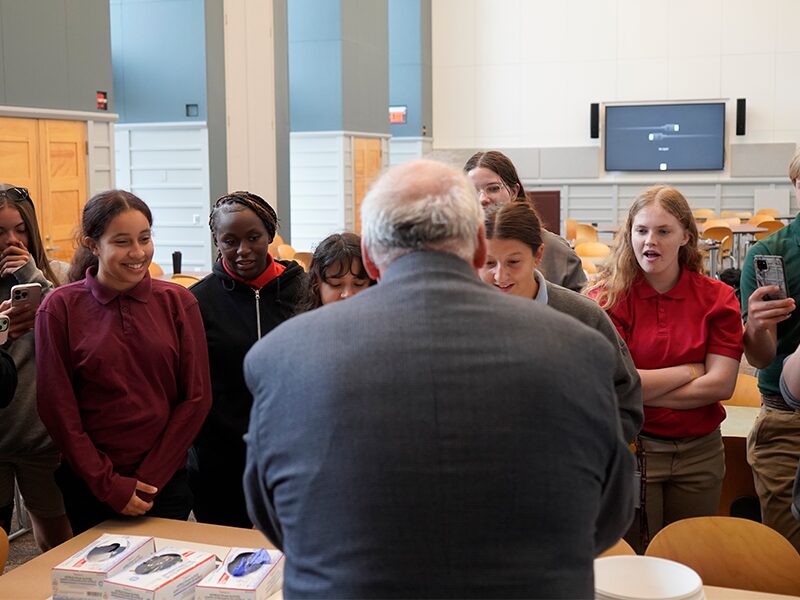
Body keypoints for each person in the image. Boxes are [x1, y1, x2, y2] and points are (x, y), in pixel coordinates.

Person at [243, 160, 634, 598]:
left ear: (369, 255)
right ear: (481, 246)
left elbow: (274, 518)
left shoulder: (281, 357)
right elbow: (608, 518)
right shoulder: (578, 349)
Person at [36, 190, 212, 535]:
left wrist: (148, 480)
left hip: (163, 483)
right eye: (122, 241)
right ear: (93, 245)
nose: (138, 252)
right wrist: (108, 484)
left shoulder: (178, 302)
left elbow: (196, 398)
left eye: (145, 239)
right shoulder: (59, 308)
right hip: (89, 484)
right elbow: (58, 408)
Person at [585, 184, 743, 552]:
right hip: (634, 448)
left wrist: (641, 386)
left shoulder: (717, 297)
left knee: (692, 557)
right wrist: (691, 370)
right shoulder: (608, 299)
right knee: (637, 559)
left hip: (700, 453)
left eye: (663, 231)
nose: (649, 241)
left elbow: (721, 385)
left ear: (686, 236)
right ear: (629, 235)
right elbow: (613, 386)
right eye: (641, 231)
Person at [188, 191, 305, 527]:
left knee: (290, 549)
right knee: (225, 551)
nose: (243, 250)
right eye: (229, 240)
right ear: (216, 240)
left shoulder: (302, 292)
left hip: (292, 448)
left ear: (270, 233)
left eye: (253, 237)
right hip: (220, 455)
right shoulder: (197, 302)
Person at [480, 202, 642, 442]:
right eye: (489, 263)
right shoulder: (457, 322)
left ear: (538, 256)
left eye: (514, 262)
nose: (500, 276)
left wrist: (585, 454)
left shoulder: (584, 317)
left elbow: (625, 402)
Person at [0, 183, 72, 550]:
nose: (12, 240)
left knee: (56, 540)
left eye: (21, 229)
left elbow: (75, 327)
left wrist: (33, 276)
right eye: (0, 231)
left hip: (42, 437)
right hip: (1, 432)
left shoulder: (54, 275)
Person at [739, 147, 800, 550]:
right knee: (786, 554)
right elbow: (760, 358)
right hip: (787, 421)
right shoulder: (768, 255)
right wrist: (758, 325)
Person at [464, 150, 587, 292]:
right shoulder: (452, 250)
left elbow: (581, 308)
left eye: (493, 188)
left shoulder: (556, 251)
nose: (483, 199)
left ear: (514, 192)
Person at [298, 232, 374, 311]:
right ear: (316, 284)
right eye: (336, 285)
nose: (347, 294)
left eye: (358, 284)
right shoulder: (305, 322)